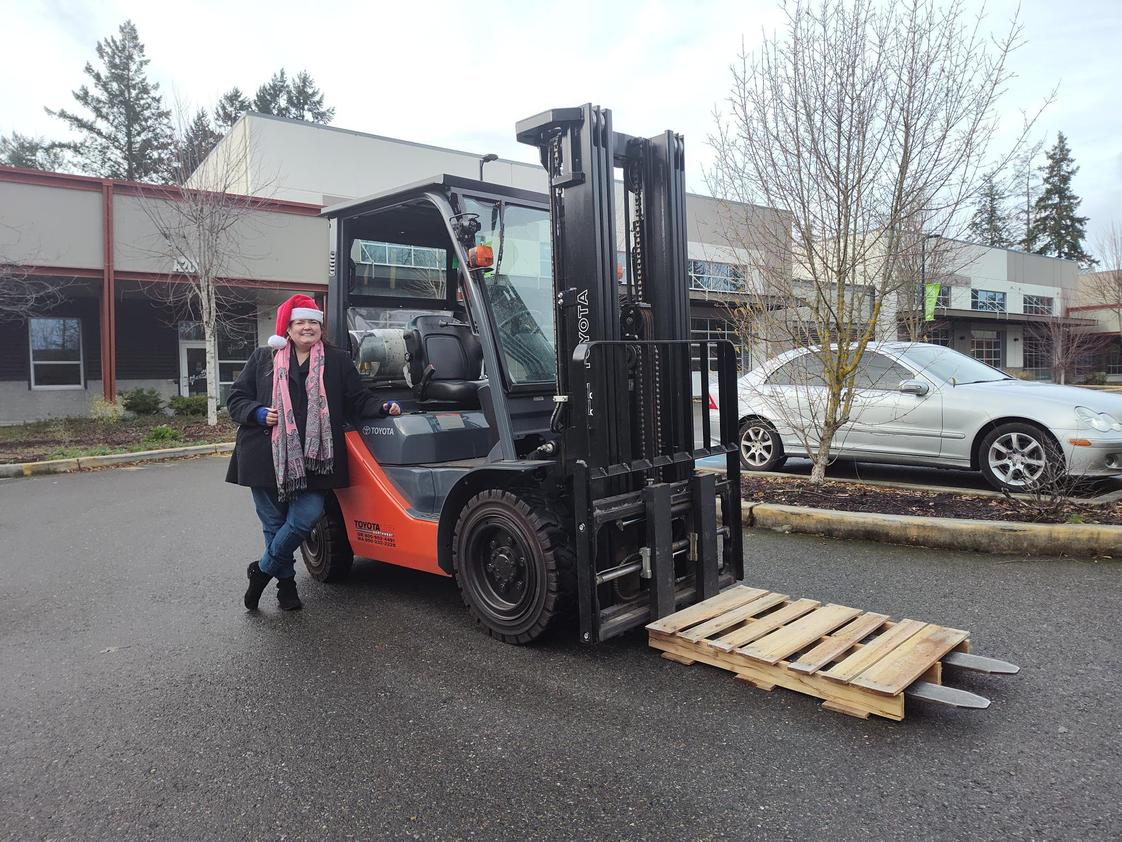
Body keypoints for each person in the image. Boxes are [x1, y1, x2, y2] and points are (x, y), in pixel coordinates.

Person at [226, 293, 401, 611]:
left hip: (316, 459)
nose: (307, 327)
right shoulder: (264, 358)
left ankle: (261, 571)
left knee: (305, 518)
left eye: (313, 322)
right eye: (300, 322)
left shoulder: (336, 361)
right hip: (265, 456)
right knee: (274, 525)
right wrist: (258, 413)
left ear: (320, 328)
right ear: (288, 329)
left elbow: (357, 399)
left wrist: (383, 407)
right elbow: (236, 399)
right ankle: (286, 587)